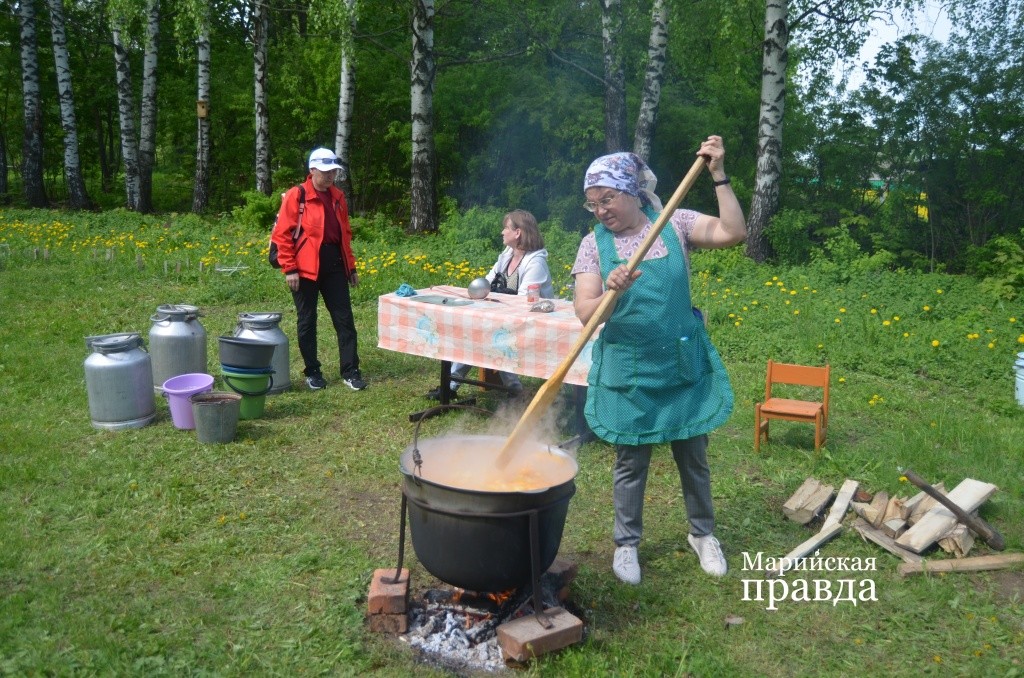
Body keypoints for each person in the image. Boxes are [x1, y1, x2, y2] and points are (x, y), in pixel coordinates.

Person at [570, 138, 746, 584]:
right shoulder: (593, 246)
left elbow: (734, 232)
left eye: (607, 198)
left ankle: (702, 534)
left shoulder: (675, 223)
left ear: (632, 191)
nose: (601, 210)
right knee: (631, 461)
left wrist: (719, 175)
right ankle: (626, 545)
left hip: (679, 361)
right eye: (593, 204)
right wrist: (611, 289)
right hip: (630, 368)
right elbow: (585, 314)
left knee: (694, 455)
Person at [426, 209, 554, 400]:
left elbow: (522, 302)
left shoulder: (536, 263)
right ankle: (454, 385)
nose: (502, 232)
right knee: (476, 331)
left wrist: (493, 301)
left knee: (489, 335)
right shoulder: (506, 256)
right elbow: (486, 284)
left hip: (532, 324)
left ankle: (509, 388)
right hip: (506, 318)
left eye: (506, 228)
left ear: (518, 232)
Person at [272, 147, 366, 391]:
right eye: (325, 171)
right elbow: (282, 235)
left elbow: (345, 234)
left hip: (334, 263)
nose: (330, 176)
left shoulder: (338, 197)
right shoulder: (297, 195)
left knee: (345, 319)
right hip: (304, 268)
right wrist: (289, 268)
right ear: (312, 170)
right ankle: (312, 371)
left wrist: (351, 267)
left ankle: (350, 370)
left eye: (333, 171)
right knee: (307, 320)